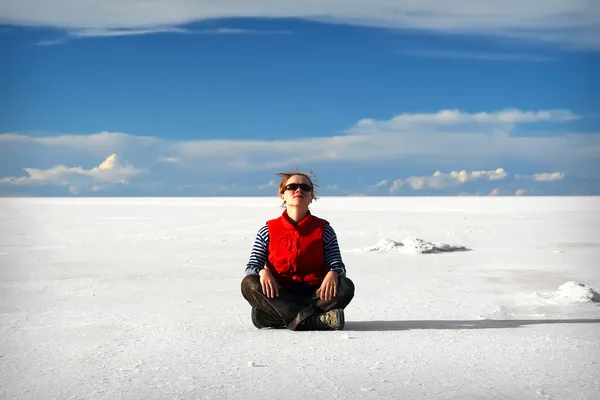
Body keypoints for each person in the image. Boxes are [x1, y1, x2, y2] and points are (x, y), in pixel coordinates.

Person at [241, 170, 355, 331]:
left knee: (345, 285)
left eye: (305, 188)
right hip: (280, 294)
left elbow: (337, 264)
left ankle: (276, 317)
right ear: (282, 195)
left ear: (311, 197)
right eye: (292, 186)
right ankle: (313, 319)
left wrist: (334, 272)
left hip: (315, 294)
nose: (299, 190)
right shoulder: (268, 230)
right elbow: (252, 266)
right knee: (249, 283)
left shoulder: (324, 229)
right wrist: (261, 271)